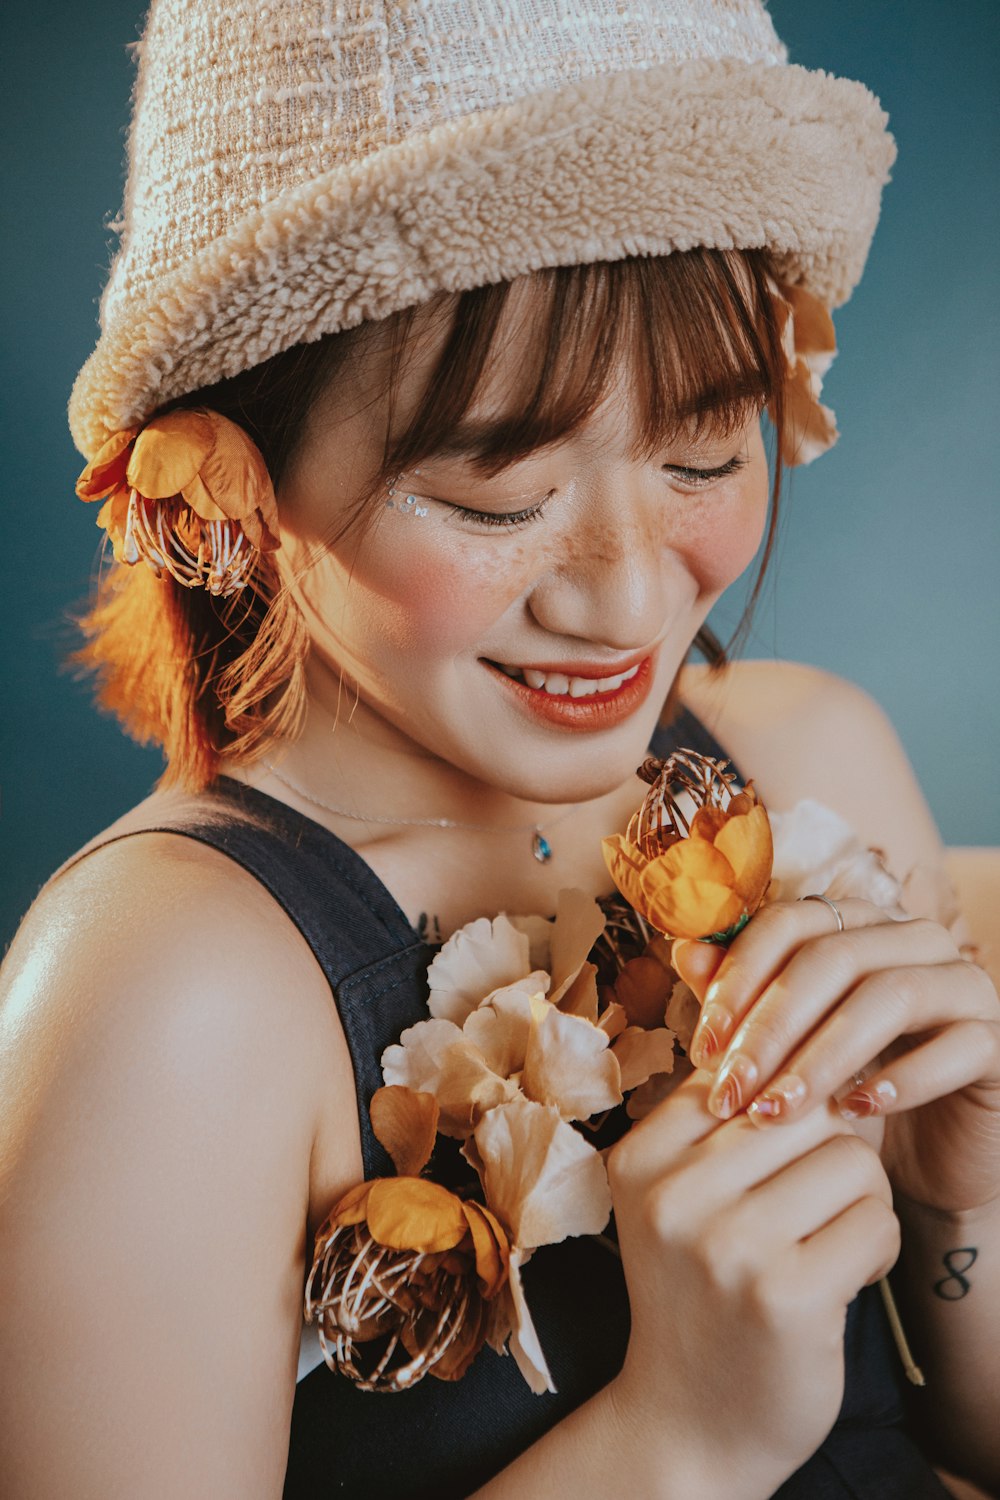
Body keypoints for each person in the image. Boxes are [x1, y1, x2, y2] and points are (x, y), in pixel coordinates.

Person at [1, 1, 998, 1496]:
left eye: (703, 457)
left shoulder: (813, 767)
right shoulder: (169, 993)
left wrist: (963, 1203)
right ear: (232, 480)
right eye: (494, 495)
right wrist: (682, 1441)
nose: (625, 592)